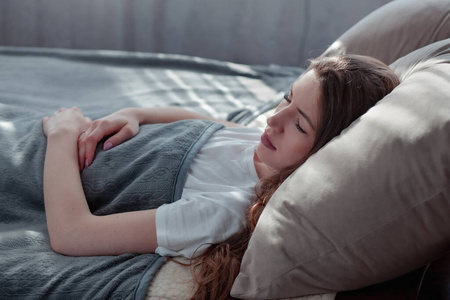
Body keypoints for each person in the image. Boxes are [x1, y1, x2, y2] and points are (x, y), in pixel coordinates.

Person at [41, 54, 400, 299]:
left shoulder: (227, 210)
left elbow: (72, 235)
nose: (273, 120)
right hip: (77, 141)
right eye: (286, 99)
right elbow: (208, 126)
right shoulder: (264, 146)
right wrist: (137, 113)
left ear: (325, 155)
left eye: (299, 124)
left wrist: (61, 136)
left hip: (51, 160)